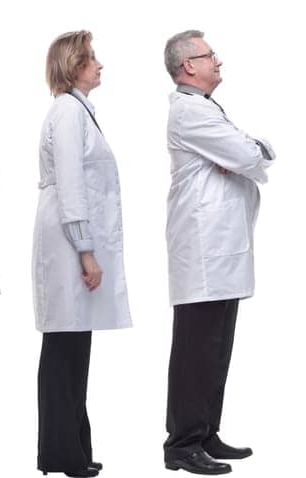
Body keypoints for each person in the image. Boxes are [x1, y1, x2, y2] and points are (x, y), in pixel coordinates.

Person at [160, 29, 275, 476]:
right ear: (188, 65)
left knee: (217, 347)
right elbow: (248, 156)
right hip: (204, 250)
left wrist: (252, 151)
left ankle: (206, 432)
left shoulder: (206, 110)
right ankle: (182, 444)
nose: (218, 61)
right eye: (209, 56)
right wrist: (250, 152)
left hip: (223, 248)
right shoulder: (189, 114)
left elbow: (252, 153)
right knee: (195, 348)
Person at [31, 30, 130, 478]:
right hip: (69, 244)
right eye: (92, 59)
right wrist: (86, 251)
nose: (100, 65)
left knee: (74, 346)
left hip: (72, 241)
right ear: (74, 66)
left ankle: (69, 449)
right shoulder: (68, 113)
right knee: (64, 347)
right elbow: (71, 187)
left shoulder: (77, 111)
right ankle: (62, 453)